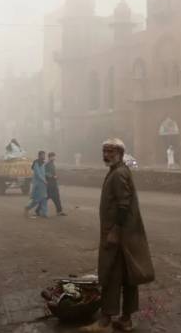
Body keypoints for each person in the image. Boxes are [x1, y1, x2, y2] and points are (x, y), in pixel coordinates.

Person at [81, 138, 155, 332]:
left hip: (119, 235)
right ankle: (126, 319)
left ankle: (105, 320)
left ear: (120, 154)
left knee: (110, 274)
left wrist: (114, 231)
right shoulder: (117, 171)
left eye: (111, 152)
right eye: (105, 151)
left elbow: (123, 204)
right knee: (127, 277)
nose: (106, 155)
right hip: (124, 235)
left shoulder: (119, 174)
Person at [24, 151, 48, 218]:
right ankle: (27, 208)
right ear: (39, 155)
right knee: (37, 199)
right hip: (38, 184)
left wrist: (46, 179)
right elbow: (38, 174)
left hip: (43, 184)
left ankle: (44, 213)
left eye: (44, 155)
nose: (44, 156)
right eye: (43, 155)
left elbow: (44, 173)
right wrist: (44, 180)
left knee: (44, 198)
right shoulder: (36, 163)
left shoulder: (43, 163)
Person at [45, 152, 66, 216]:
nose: (54, 158)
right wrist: (52, 176)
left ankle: (59, 211)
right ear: (49, 157)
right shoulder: (47, 164)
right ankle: (38, 210)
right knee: (45, 198)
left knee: (57, 197)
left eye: (54, 156)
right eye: (52, 156)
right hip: (49, 184)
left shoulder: (52, 164)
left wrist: (55, 176)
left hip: (54, 183)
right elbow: (45, 172)